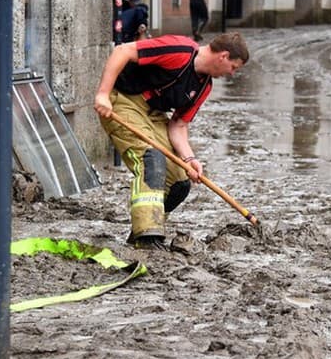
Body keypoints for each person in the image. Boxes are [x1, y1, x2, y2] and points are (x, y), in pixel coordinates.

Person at [93, 32, 249, 249]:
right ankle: (147, 238)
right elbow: (123, 51)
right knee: (151, 159)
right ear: (223, 56)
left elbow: (178, 125)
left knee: (179, 180)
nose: (232, 74)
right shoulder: (179, 50)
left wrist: (189, 159)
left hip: (153, 114)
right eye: (234, 67)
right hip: (123, 100)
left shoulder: (204, 87)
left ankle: (144, 229)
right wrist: (103, 94)